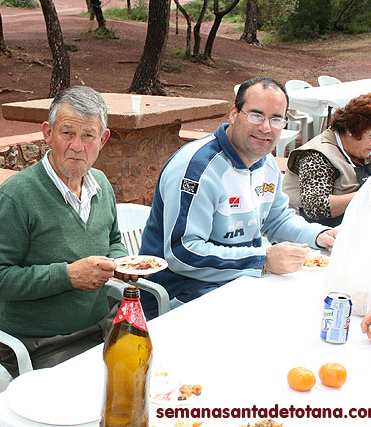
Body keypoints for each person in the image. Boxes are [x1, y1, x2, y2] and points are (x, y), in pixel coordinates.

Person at [138, 77, 337, 319]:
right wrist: (262, 260)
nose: (266, 127)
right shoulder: (197, 169)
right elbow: (183, 253)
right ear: (234, 114)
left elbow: (277, 221)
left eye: (276, 119)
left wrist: (319, 236)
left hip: (238, 283)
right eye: (256, 115)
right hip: (177, 295)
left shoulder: (268, 165)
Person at [0, 86, 138, 377]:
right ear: (48, 134)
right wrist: (68, 276)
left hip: (101, 324)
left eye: (88, 135)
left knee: (152, 370)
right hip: (40, 342)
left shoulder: (101, 183)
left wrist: (121, 263)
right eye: (67, 133)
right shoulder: (17, 196)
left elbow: (113, 240)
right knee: (96, 396)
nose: (77, 146)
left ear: (103, 139)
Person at [283, 93, 371, 227]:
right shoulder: (318, 155)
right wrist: (367, 194)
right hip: (327, 234)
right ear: (352, 130)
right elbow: (316, 207)